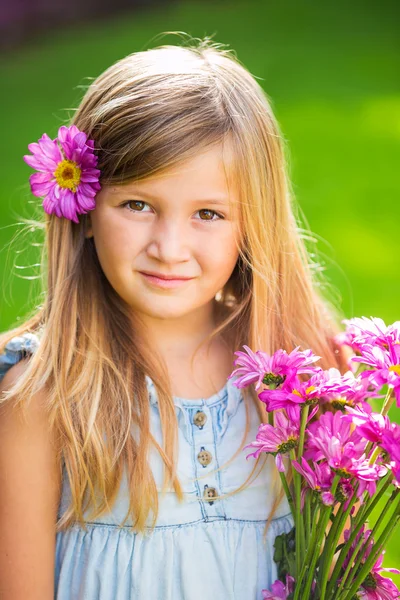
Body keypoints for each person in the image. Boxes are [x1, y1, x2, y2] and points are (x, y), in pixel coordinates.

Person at [0, 34, 350, 599]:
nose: (169, 246)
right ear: (83, 207)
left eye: (208, 213)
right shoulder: (43, 397)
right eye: (137, 205)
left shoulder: (299, 380)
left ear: (252, 225)